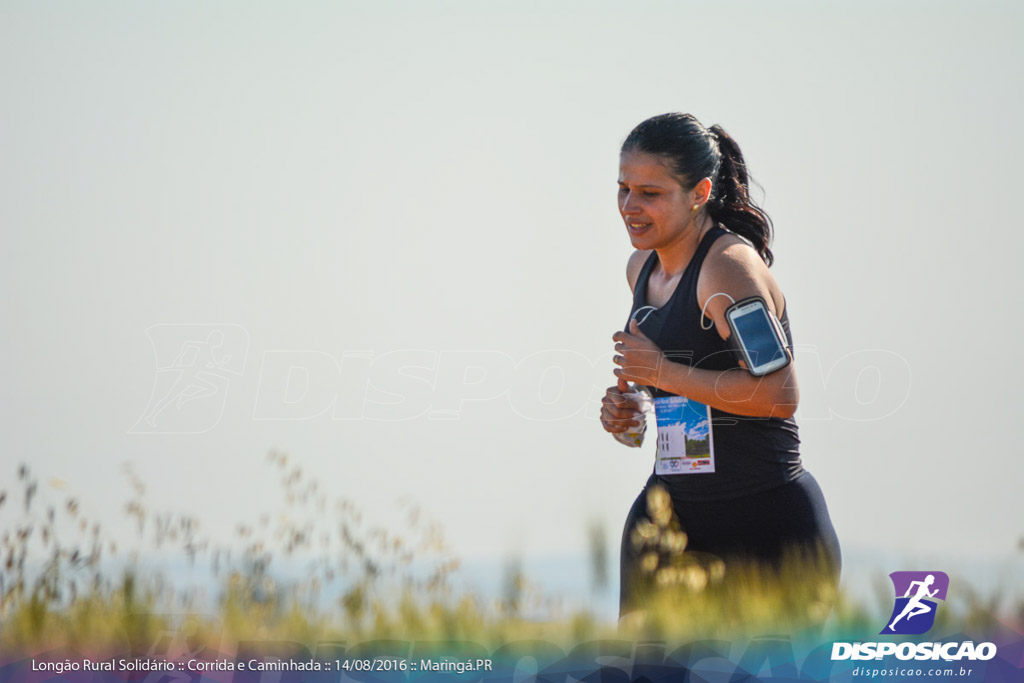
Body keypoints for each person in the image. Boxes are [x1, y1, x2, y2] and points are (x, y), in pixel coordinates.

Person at [598, 113, 841, 620]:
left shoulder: (727, 267)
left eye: (650, 192)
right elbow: (680, 384)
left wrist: (660, 372)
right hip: (672, 519)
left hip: (764, 525)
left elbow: (779, 393)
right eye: (623, 189)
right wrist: (636, 410)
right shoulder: (641, 268)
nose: (629, 207)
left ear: (700, 192)